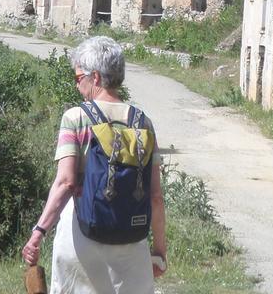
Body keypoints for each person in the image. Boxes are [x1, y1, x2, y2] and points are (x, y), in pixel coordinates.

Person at [22, 36, 167, 294]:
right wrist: (158, 251)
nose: (78, 87)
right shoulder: (144, 123)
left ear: (96, 77)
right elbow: (155, 197)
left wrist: (38, 232)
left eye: (79, 79)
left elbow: (66, 182)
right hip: (132, 245)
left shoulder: (75, 118)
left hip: (81, 238)